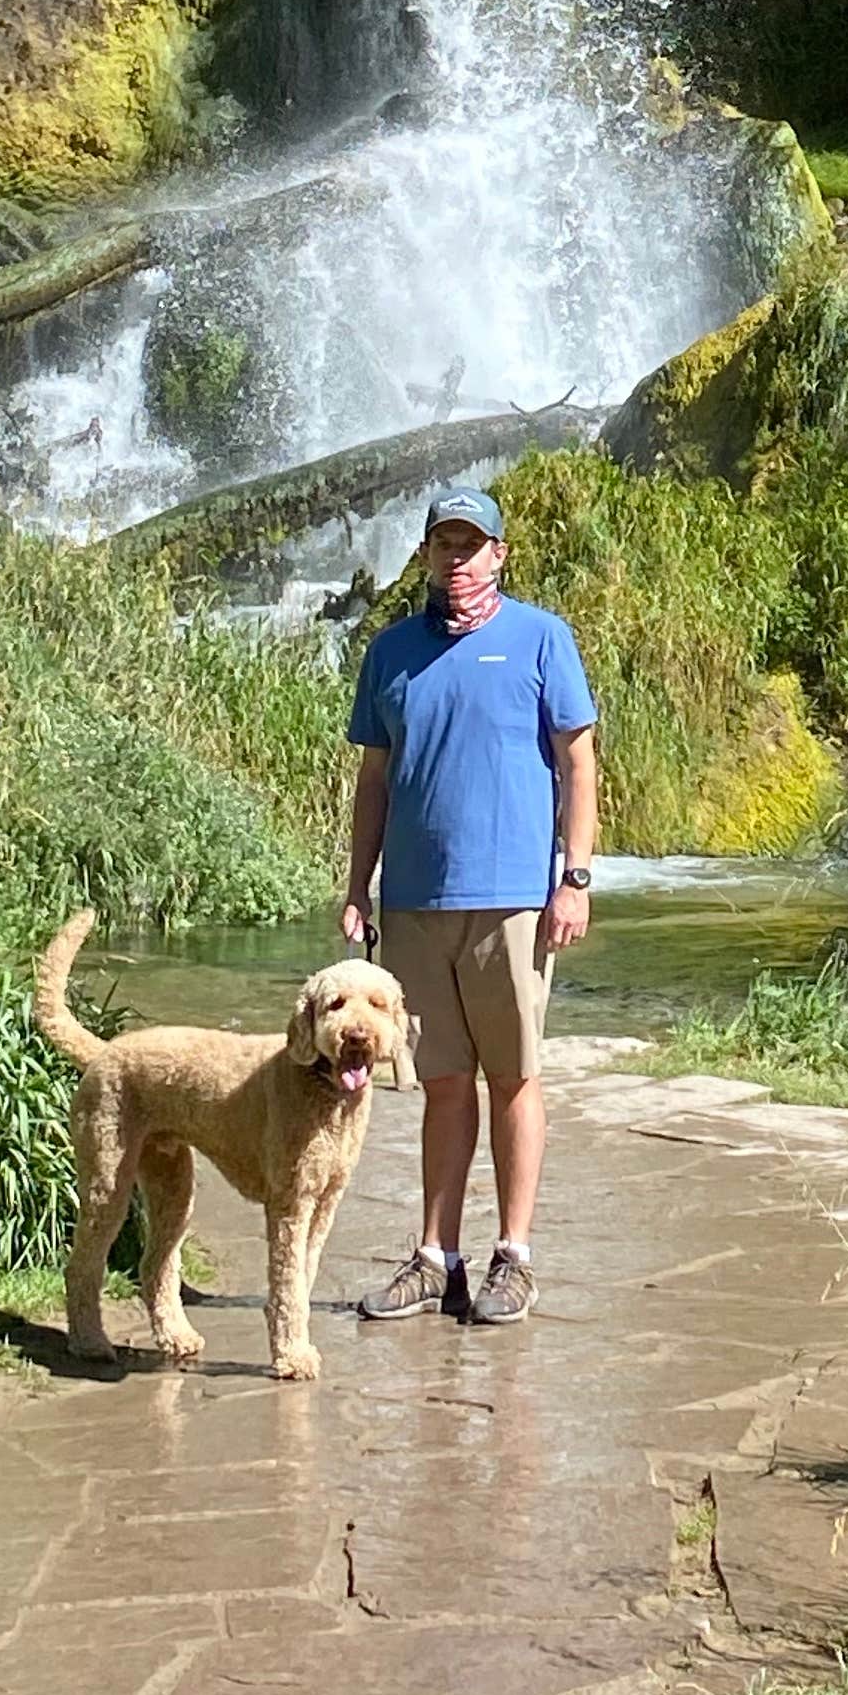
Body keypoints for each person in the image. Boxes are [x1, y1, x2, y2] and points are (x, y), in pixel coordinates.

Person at [341, 481, 597, 1328]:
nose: (457, 558)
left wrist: (574, 879)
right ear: (425, 554)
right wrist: (358, 888)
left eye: (471, 544)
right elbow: (374, 780)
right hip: (415, 902)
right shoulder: (391, 652)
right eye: (444, 543)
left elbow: (579, 763)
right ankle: (435, 1258)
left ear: (499, 554)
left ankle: (513, 1258)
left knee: (513, 1077)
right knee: (442, 1082)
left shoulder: (541, 638)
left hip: (513, 900)